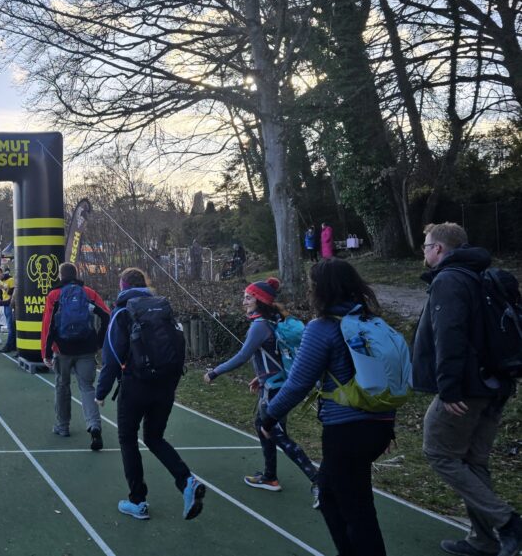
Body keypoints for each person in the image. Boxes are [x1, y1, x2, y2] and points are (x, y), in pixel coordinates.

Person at [261, 259, 395, 556]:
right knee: (331, 492)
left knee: (356, 507)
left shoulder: (322, 328)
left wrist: (269, 417)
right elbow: (389, 376)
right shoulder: (373, 323)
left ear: (321, 290)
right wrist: (388, 422)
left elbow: (298, 383)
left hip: (346, 430)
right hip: (379, 425)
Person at [413, 222, 521, 556]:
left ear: (440, 249)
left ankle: (508, 523)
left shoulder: (449, 279)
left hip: (467, 387)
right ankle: (483, 540)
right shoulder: (482, 276)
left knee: (439, 452)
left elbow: (450, 336)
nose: (425, 251)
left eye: (427, 245)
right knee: (474, 460)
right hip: (496, 382)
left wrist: (448, 389)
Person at [96, 267, 206, 522]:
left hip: (135, 385)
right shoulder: (163, 310)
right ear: (144, 284)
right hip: (165, 384)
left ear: (122, 285)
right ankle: (186, 480)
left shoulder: (123, 312)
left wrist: (101, 391)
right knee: (155, 437)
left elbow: (111, 356)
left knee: (127, 438)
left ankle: (138, 500)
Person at [203, 278, 319, 506]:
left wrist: (214, 372)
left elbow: (242, 356)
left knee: (275, 433)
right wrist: (261, 376)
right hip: (276, 384)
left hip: (275, 389)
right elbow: (274, 355)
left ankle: (318, 479)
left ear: (260, 300)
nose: (243, 301)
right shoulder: (273, 319)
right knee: (263, 426)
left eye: (248, 297)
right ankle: (270, 476)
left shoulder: (259, 325)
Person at [41, 262, 110, 448]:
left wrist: (45, 352)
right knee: (87, 388)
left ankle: (62, 426)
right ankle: (94, 427)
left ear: (60, 275)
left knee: (62, 386)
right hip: (86, 348)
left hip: (62, 350)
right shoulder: (88, 293)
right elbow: (106, 315)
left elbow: (48, 326)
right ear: (76, 274)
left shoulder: (54, 295)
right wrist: (99, 342)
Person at [0, 268, 18, 353]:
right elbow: (2, 294)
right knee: (11, 326)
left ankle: (9, 346)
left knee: (10, 326)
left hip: (10, 304)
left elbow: (12, 293)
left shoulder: (11, 279)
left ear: (3, 272)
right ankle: (13, 345)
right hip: (5, 305)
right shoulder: (0, 281)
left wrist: (4, 288)